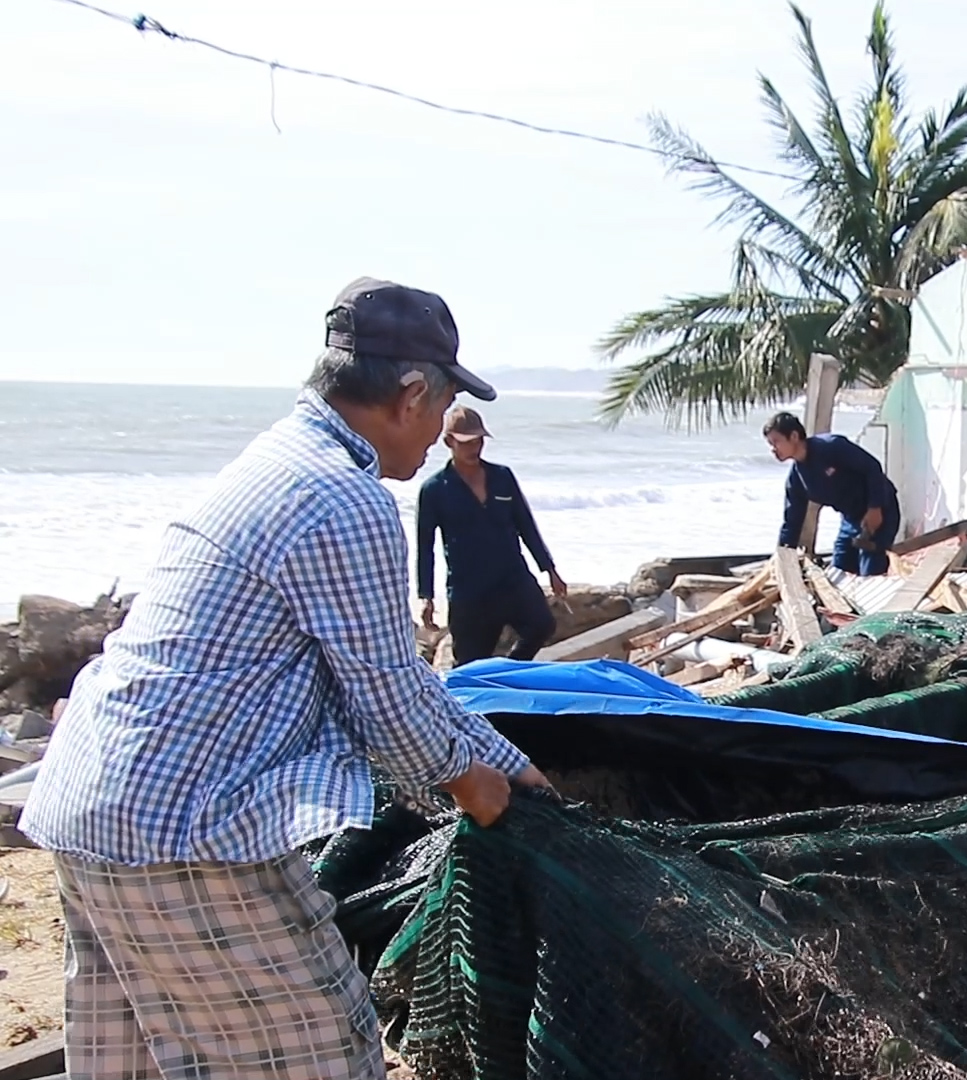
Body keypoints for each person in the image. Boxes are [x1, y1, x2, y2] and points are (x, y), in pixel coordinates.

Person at [21, 278, 549, 1080]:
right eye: (445, 404)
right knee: (327, 1049)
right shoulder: (343, 498)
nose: (442, 432)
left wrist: (510, 763)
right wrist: (476, 785)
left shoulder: (278, 458)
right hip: (182, 829)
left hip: (91, 805)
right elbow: (387, 704)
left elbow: (397, 678)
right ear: (412, 394)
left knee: (139, 1063)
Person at [416, 405, 566, 666]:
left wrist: (549, 569)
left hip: (512, 578)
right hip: (470, 590)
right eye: (466, 442)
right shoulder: (434, 490)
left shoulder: (502, 477)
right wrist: (426, 596)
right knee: (470, 665)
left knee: (542, 625)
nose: (474, 448)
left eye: (479, 441)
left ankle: (508, 672)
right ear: (449, 442)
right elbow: (425, 546)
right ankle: (489, 685)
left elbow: (525, 524)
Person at [765, 411, 901, 576]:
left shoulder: (831, 446)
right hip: (850, 519)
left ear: (794, 436)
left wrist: (875, 508)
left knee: (871, 574)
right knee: (838, 574)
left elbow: (872, 467)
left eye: (776, 442)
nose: (773, 449)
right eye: (770, 444)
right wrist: (783, 559)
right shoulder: (797, 480)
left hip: (881, 509)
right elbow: (792, 522)